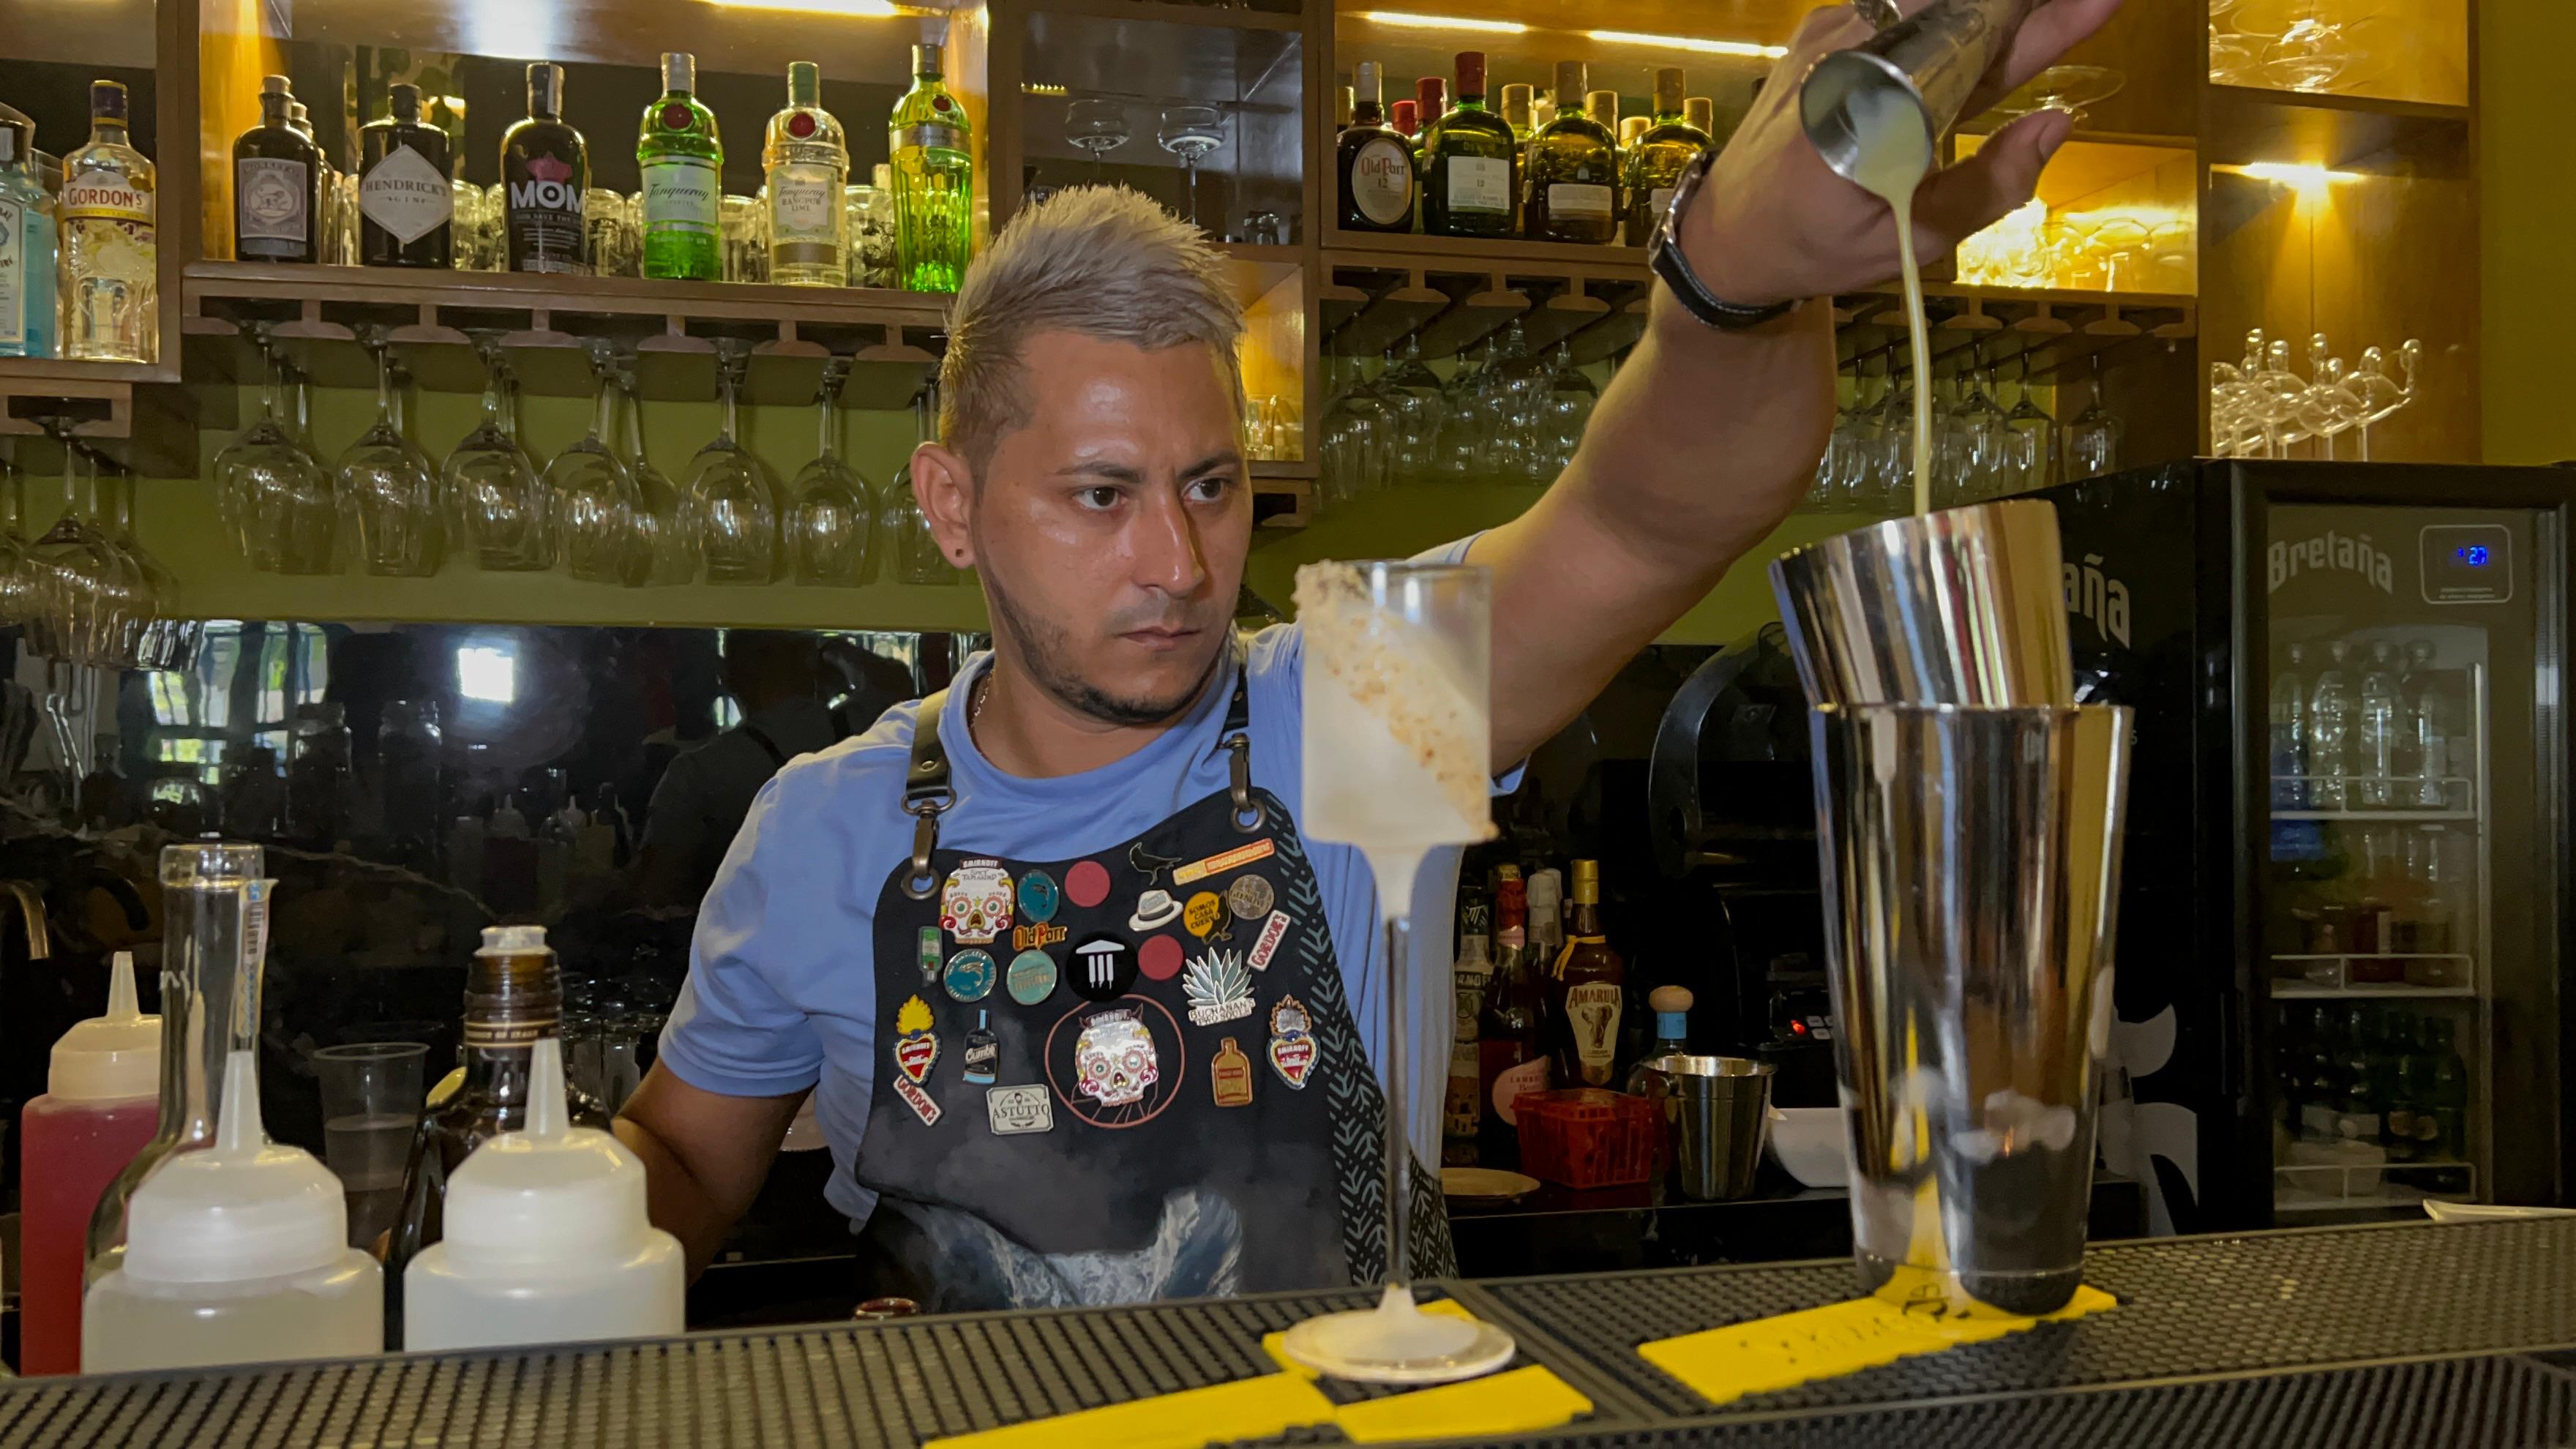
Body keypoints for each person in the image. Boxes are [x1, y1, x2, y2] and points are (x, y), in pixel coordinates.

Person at [614, 1, 2113, 1311]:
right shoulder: (822, 828)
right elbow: (688, 1151)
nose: (1179, 563)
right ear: (953, 506)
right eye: (1099, 496)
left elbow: (1653, 518)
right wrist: (563, 1231)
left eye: (1210, 486)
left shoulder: (1346, 700)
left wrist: (1735, 277)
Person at [635, 630, 877, 909]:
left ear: (729, 675)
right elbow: (898, 682)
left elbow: (657, 889)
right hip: (860, 930)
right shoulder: (867, 727)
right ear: (813, 663)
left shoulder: (698, 771)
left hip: (746, 942)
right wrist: (841, 650)